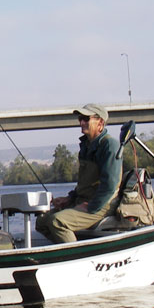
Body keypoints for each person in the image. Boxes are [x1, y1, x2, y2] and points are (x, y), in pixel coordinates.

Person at [35, 103, 122, 243]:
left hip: (102, 205)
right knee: (42, 222)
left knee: (57, 221)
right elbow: (85, 183)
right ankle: (69, 247)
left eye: (86, 119)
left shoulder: (110, 145)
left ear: (100, 122)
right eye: (80, 119)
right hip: (82, 200)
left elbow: (110, 185)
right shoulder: (85, 145)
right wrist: (69, 198)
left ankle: (76, 256)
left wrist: (91, 206)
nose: (81, 122)